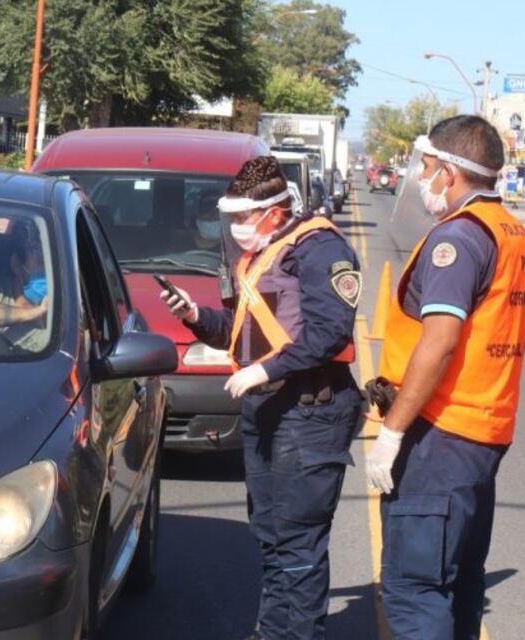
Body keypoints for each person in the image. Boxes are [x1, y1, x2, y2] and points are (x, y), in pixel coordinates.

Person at [161, 156, 363, 640]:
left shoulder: (320, 249)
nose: (235, 227)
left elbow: (330, 332)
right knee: (271, 537)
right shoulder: (260, 255)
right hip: (268, 409)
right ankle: (272, 632)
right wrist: (195, 317)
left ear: (274, 212)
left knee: (298, 544)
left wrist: (266, 369)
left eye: (242, 217)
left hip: (310, 413)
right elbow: (242, 333)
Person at [365, 115, 525, 640]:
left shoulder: (459, 239)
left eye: (426, 167)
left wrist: (393, 431)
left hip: (441, 434)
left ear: (449, 170)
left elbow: (440, 341)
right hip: (484, 431)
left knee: (415, 589)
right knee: (460, 580)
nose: (421, 177)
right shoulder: (515, 234)